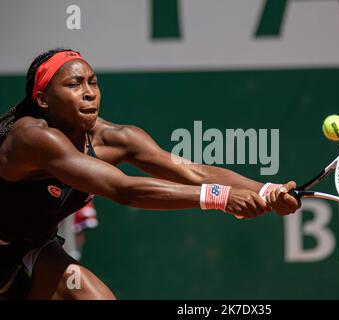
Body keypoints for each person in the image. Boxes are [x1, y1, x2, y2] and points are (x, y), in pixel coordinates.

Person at [0, 48, 300, 300]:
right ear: (43, 100)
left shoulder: (116, 139)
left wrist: (266, 191)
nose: (89, 93)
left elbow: (193, 172)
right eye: (74, 85)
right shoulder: (32, 138)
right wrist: (221, 198)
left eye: (93, 82)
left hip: (29, 249)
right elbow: (124, 190)